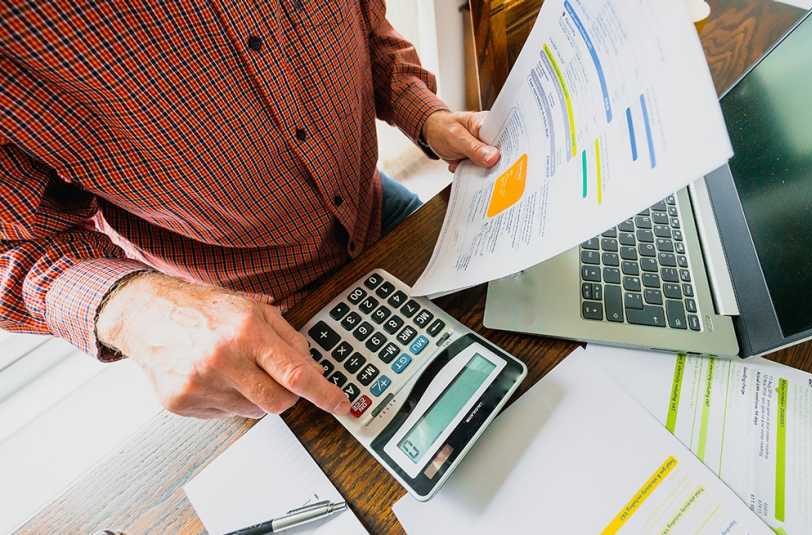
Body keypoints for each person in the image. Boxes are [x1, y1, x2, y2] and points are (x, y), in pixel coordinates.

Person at [0, 2, 500, 419]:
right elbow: (14, 246)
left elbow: (366, 28)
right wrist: (134, 309)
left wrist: (422, 110)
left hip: (384, 213)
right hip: (253, 321)